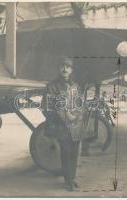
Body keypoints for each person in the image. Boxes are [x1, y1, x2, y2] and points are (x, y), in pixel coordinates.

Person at [41, 57, 84, 191]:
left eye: (68, 66)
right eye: (62, 66)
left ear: (71, 70)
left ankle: (72, 178)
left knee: (74, 152)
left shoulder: (75, 85)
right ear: (58, 69)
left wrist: (76, 116)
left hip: (75, 125)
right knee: (66, 152)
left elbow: (80, 104)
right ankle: (67, 181)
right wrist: (64, 117)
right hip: (62, 126)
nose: (65, 69)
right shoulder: (51, 86)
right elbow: (47, 107)